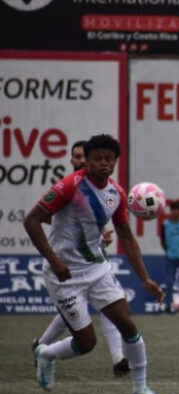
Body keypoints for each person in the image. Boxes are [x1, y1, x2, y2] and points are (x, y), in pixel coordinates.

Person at [23, 134, 168, 394]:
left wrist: (145, 279)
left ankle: (140, 391)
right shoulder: (69, 187)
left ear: (115, 162)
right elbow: (32, 221)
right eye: (98, 159)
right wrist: (54, 260)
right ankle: (46, 353)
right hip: (64, 275)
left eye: (109, 159)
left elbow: (126, 236)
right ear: (86, 161)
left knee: (128, 325)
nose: (104, 163)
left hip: (97, 270)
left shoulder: (116, 193)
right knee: (86, 343)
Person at [32, 140, 129, 377]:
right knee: (77, 319)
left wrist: (101, 233)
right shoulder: (67, 186)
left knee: (111, 307)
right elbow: (47, 218)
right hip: (67, 265)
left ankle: (118, 358)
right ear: (72, 160)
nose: (82, 161)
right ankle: (43, 346)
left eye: (83, 157)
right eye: (77, 157)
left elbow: (98, 219)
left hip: (94, 260)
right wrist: (57, 257)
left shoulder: (107, 189)